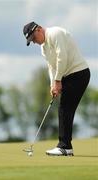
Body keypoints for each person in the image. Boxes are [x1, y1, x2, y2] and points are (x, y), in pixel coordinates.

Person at [23, 22, 90, 156]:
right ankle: (65, 147)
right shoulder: (43, 47)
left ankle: (65, 147)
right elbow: (51, 66)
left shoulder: (55, 33)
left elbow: (62, 58)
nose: (35, 42)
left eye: (34, 38)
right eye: (31, 41)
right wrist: (53, 84)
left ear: (38, 29)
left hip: (78, 73)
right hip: (66, 76)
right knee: (65, 108)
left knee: (65, 108)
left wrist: (58, 80)